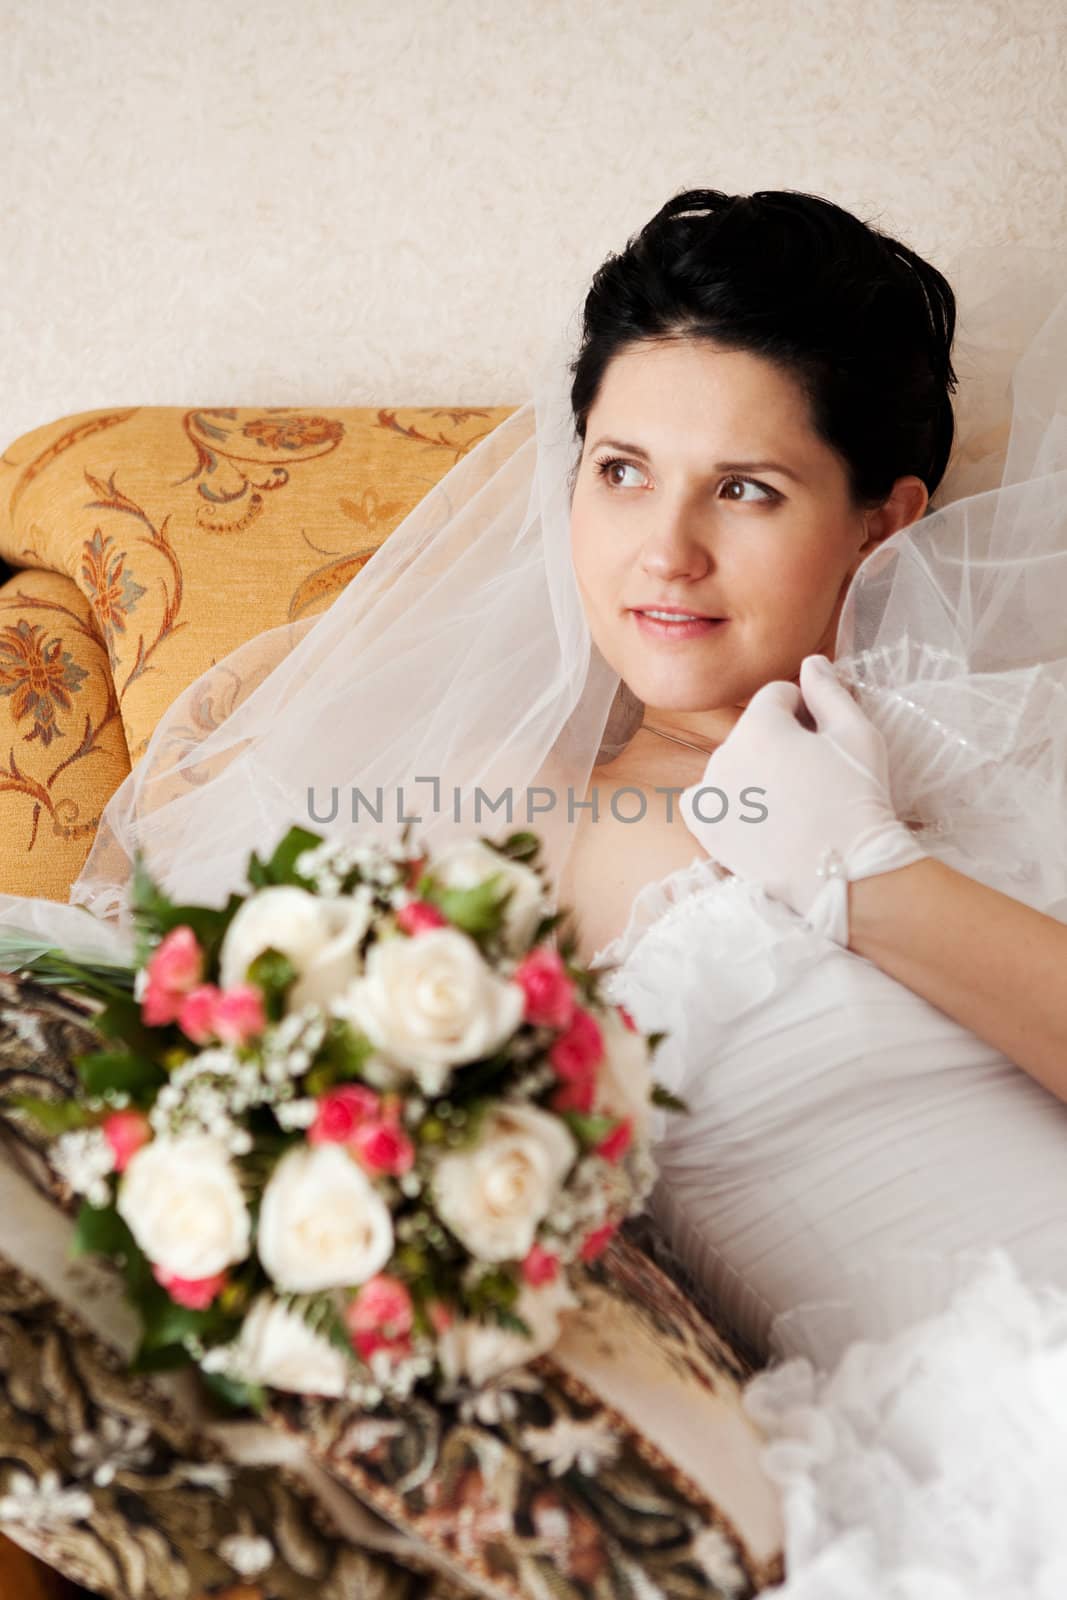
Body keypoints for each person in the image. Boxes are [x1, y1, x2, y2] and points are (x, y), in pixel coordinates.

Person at [2, 187, 1067, 1594]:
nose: (664, 550)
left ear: (884, 524)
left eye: (745, 488)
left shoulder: (971, 726)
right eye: (622, 469)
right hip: (938, 1446)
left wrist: (868, 872)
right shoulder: (483, 817)